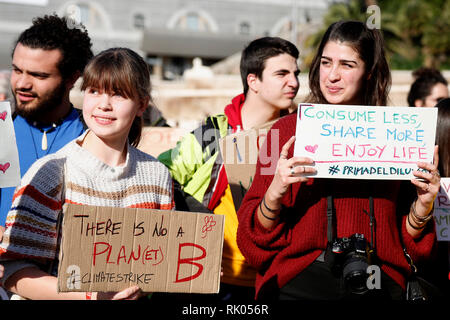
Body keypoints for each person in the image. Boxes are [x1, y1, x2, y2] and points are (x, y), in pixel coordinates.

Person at [236, 20, 440, 300]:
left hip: (378, 283)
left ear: (369, 72)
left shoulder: (399, 134)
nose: (332, 75)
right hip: (299, 282)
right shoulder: (283, 131)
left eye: (347, 65)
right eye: (325, 62)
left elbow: (411, 246)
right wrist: (274, 192)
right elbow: (252, 242)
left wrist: (424, 205)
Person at [0, 47, 174, 300]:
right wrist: (90, 296)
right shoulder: (52, 174)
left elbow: (158, 265)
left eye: (118, 95)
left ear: (141, 105)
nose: (103, 105)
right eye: (94, 91)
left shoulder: (157, 176)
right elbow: (13, 272)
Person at [158, 37, 300, 300]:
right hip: (208, 280)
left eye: (295, 73)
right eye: (282, 73)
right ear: (253, 80)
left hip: (273, 279)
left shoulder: (298, 136)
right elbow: (160, 176)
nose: (293, 82)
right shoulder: (214, 132)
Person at [0, 14, 93, 232]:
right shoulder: (3, 128)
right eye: (17, 70)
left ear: (71, 79)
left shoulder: (92, 137)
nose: (22, 83)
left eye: (38, 75)